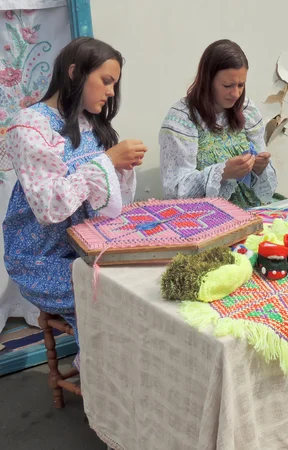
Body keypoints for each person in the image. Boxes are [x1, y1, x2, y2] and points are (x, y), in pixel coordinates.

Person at [3, 37, 147, 366]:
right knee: (115, 296)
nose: (111, 92)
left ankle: (126, 378)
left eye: (114, 83)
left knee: (143, 282)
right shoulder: (29, 127)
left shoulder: (88, 123)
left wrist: (119, 168)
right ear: (74, 73)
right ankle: (107, 381)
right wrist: (107, 163)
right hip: (41, 259)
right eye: (106, 81)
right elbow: (49, 207)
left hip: (89, 246)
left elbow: (112, 203)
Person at [159, 39, 278, 209]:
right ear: (208, 81)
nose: (236, 93)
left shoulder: (247, 110)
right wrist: (221, 173)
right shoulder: (182, 119)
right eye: (227, 85)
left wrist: (259, 167)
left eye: (241, 85)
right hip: (205, 221)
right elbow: (175, 191)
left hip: (253, 212)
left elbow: (266, 186)